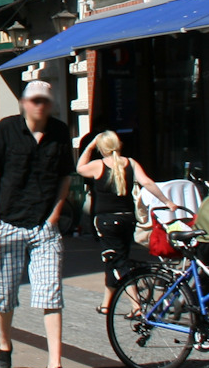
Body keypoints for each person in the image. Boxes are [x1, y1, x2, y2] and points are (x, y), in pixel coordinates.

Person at [0, 80, 80, 368]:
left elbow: (66, 176)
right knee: (5, 295)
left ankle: (55, 365)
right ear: (24, 103)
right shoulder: (7, 129)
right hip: (9, 224)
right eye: (34, 100)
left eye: (45, 101)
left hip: (44, 228)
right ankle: (5, 344)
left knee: (51, 294)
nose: (39, 106)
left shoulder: (60, 132)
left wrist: (54, 216)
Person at [76, 131, 181, 308]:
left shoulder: (98, 165)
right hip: (127, 220)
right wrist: (167, 202)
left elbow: (79, 168)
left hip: (106, 221)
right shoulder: (131, 163)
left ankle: (136, 305)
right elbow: (147, 182)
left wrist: (91, 146)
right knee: (115, 258)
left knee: (118, 262)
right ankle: (106, 304)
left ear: (102, 147)